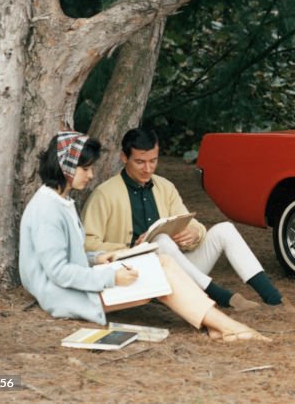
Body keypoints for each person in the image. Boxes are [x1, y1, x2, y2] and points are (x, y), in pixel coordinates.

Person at [19, 131, 267, 342]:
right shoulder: (47, 209)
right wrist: (111, 275)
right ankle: (227, 327)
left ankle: (218, 326)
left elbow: (74, 256)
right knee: (161, 271)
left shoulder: (62, 201)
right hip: (66, 294)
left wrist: (99, 258)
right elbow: (58, 272)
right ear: (66, 168)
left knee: (164, 263)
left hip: (85, 280)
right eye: (85, 168)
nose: (91, 175)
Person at [82, 127, 282, 311]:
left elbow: (190, 223)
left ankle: (273, 298)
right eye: (140, 162)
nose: (148, 169)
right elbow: (87, 244)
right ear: (124, 158)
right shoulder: (104, 194)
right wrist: (129, 247)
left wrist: (193, 233)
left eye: (153, 161)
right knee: (161, 241)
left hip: (179, 271)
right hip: (136, 275)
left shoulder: (165, 187)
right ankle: (219, 295)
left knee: (224, 230)